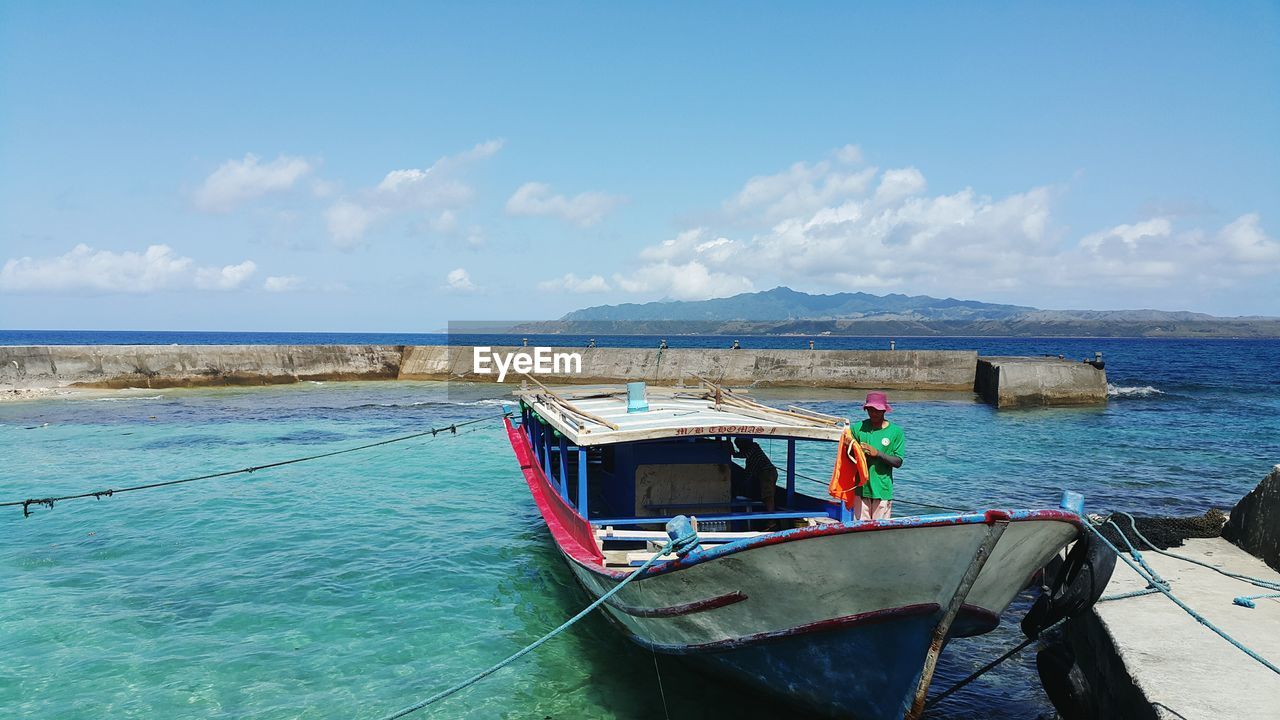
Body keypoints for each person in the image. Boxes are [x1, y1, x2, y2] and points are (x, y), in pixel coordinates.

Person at [850, 391, 904, 520]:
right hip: (861, 489)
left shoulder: (895, 432)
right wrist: (853, 449)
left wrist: (877, 454)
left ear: (884, 410)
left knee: (879, 530)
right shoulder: (857, 428)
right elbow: (848, 457)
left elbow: (898, 462)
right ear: (866, 409)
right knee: (860, 529)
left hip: (882, 490)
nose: (874, 413)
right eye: (870, 410)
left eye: (877, 410)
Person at [732, 437, 778, 513]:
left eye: (739, 446)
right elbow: (747, 474)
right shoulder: (750, 460)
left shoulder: (754, 446)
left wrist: (733, 453)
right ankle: (770, 516)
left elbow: (745, 454)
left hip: (767, 472)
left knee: (768, 496)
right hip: (768, 473)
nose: (739, 448)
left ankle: (771, 519)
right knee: (767, 496)